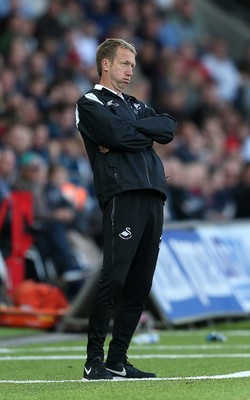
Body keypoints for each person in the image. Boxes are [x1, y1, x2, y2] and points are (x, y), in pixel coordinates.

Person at [75, 38, 176, 380]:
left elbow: (168, 128)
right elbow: (116, 137)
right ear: (105, 64)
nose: (130, 70)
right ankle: (93, 362)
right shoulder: (89, 102)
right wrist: (139, 135)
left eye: (132, 65)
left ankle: (118, 359)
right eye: (124, 63)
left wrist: (131, 131)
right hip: (123, 194)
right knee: (114, 277)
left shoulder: (133, 104)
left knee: (140, 283)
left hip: (153, 195)